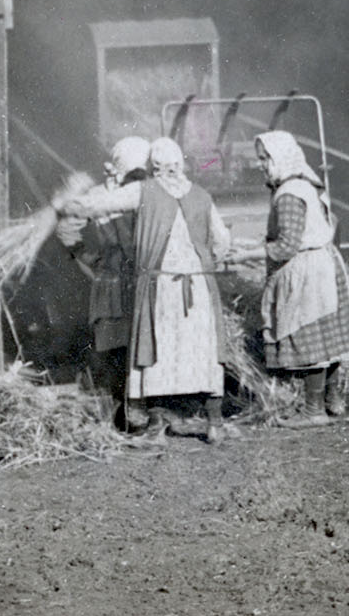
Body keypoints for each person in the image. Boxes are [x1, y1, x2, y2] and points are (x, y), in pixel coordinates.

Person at [55, 136, 236, 442]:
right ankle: (214, 423)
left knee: (154, 353)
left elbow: (93, 206)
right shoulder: (202, 195)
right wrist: (202, 263)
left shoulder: (145, 191)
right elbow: (222, 242)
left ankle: (154, 428)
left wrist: (64, 204)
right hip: (200, 286)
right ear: (180, 164)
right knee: (202, 352)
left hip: (161, 286)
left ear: (153, 167)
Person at [254, 130, 349, 426]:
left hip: (308, 271)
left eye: (265, 158)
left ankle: (314, 411)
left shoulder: (289, 194)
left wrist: (249, 253)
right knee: (330, 334)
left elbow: (286, 246)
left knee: (310, 332)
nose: (261, 164)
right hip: (325, 262)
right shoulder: (307, 182)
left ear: (281, 157)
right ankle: (332, 400)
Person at [56, 136, 148, 429]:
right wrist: (89, 259)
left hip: (142, 275)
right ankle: (121, 414)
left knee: (141, 344)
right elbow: (66, 227)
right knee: (115, 346)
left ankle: (142, 411)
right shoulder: (99, 195)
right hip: (115, 276)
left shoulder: (144, 191)